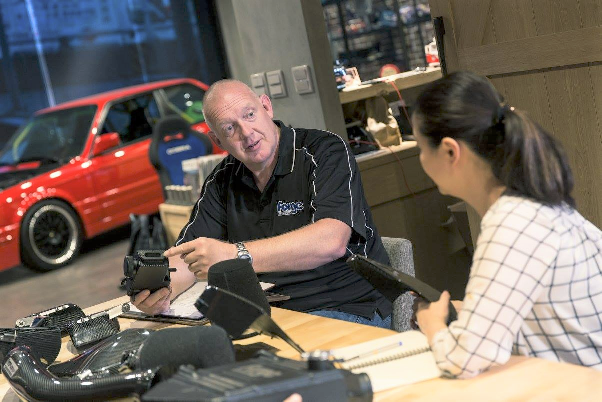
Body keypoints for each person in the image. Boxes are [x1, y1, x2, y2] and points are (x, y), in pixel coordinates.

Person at [133, 79, 393, 328]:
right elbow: (188, 257)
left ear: (266, 107)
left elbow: (331, 242)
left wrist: (234, 255)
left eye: (249, 115)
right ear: (217, 141)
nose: (247, 133)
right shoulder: (221, 180)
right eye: (229, 128)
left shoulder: (325, 151)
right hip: (265, 313)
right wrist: (162, 289)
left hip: (347, 306)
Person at [412, 71, 602, 378]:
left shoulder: (513, 222)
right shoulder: (536, 204)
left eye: (421, 147)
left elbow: (463, 358)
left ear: (450, 151)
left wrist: (432, 325)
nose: (421, 160)